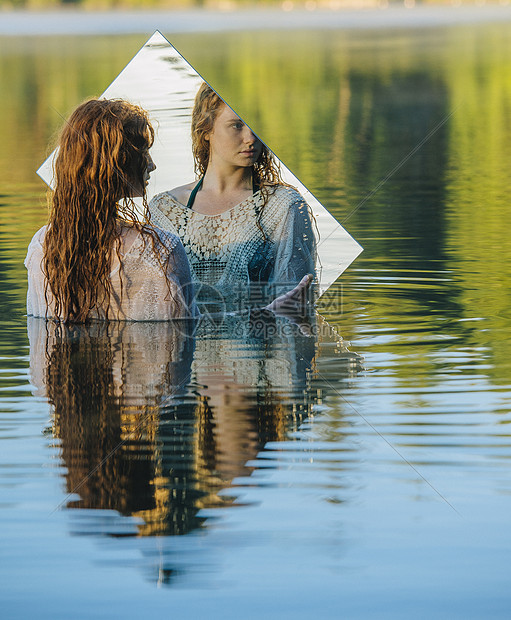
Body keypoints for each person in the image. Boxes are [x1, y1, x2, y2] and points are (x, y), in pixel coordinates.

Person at [149, 82, 316, 312]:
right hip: (183, 345)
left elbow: (295, 308)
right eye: (236, 126)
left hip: (256, 343)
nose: (250, 138)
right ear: (206, 130)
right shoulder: (165, 209)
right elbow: (154, 306)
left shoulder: (283, 206)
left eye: (256, 126)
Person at [25, 98, 195, 323]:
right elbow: (185, 335)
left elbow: (40, 341)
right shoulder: (162, 250)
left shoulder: (41, 248)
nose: (152, 165)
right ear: (116, 163)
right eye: (142, 152)